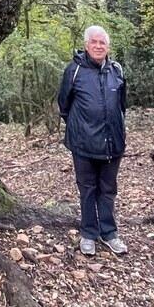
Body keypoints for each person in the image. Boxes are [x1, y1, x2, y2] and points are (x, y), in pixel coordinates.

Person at [57, 25, 128, 256]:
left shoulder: (116, 70)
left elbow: (121, 105)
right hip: (83, 144)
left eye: (102, 43)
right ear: (87, 45)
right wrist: (81, 128)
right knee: (87, 189)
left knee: (108, 189)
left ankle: (109, 233)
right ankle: (88, 233)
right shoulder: (74, 71)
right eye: (94, 42)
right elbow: (64, 105)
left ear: (108, 46)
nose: (98, 46)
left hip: (112, 143)